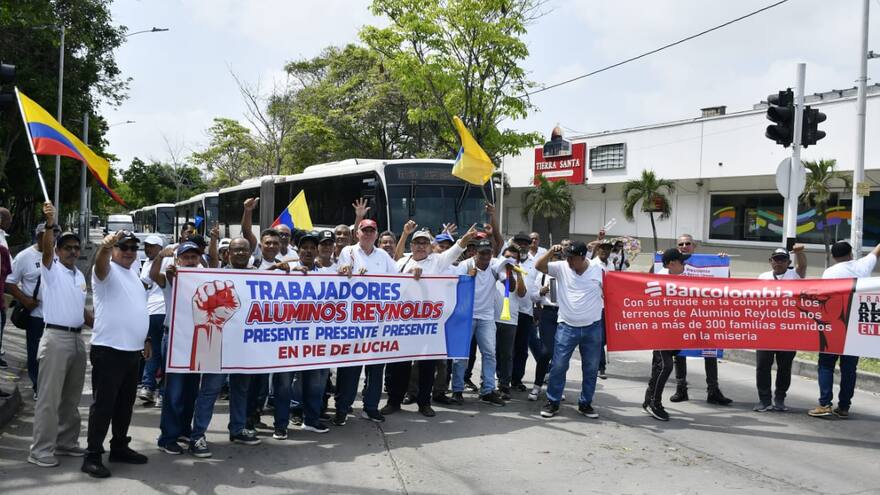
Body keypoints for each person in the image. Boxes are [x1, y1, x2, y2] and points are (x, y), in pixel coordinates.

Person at [382, 223, 477, 417]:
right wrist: (408, 275)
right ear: (412, 245)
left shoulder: (436, 261)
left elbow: (454, 251)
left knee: (427, 365)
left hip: (428, 325)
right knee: (399, 364)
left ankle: (424, 403)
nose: (420, 246)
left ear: (430, 246)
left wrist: (464, 240)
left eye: (425, 243)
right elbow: (391, 281)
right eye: (417, 242)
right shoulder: (402, 262)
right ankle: (394, 401)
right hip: (403, 323)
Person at [83, 229, 151, 478]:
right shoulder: (105, 271)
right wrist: (103, 247)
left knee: (125, 405)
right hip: (109, 350)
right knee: (103, 405)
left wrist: (145, 337)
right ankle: (92, 455)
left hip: (132, 350)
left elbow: (136, 308)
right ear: (113, 250)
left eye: (134, 248)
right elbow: (100, 263)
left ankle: (119, 446)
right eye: (124, 247)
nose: (130, 252)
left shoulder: (132, 272)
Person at [27, 203, 91, 468]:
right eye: (67, 247)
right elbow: (46, 249)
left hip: (77, 339)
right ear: (57, 250)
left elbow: (82, 312)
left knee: (70, 399)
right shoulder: (50, 268)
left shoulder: (78, 276)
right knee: (49, 400)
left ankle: (66, 443)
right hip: (55, 339)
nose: (73, 252)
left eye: (76, 248)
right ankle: (40, 450)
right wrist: (51, 222)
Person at [334, 218, 398, 425]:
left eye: (372, 230)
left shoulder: (384, 256)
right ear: (358, 233)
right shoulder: (349, 251)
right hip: (353, 322)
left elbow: (398, 280)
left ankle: (371, 408)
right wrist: (347, 273)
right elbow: (342, 273)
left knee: (376, 368)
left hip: (378, 321)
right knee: (350, 368)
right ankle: (342, 409)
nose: (369, 233)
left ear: (377, 234)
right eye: (365, 230)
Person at [808, 240, 880, 419]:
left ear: (833, 257)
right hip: (856, 326)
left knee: (826, 365)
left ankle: (825, 404)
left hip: (834, 325)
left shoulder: (830, 272)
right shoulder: (863, 265)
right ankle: (844, 407)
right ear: (851, 254)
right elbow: (876, 251)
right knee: (849, 369)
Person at [537, 241, 604, 419]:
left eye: (572, 258)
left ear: (583, 257)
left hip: (593, 327)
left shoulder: (598, 270)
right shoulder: (560, 267)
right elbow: (539, 266)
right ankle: (553, 401)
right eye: (567, 257)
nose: (568, 262)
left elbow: (611, 293)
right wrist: (551, 250)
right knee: (558, 366)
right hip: (566, 326)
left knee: (590, 368)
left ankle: (585, 403)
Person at [153, 241, 205, 455]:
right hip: (174, 338)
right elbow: (154, 275)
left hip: (198, 338)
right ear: (178, 260)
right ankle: (167, 437)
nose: (191, 261)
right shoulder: (169, 278)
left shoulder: (203, 280)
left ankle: (184, 429)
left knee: (192, 389)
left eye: (194, 257)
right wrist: (160, 259)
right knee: (173, 390)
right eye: (187, 257)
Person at [669, 234, 733, 406]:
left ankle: (713, 390)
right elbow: (654, 277)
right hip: (680, 316)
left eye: (687, 243)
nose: (684, 246)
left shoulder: (707, 263)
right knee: (679, 353)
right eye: (680, 244)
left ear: (694, 245)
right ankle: (681, 389)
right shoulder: (671, 264)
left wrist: (723, 264)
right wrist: (660, 259)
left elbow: (724, 282)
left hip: (705, 316)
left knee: (709, 350)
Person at [451, 239, 507, 406]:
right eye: (482, 253)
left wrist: (509, 273)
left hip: (486, 316)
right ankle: (457, 390)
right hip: (465, 315)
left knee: (489, 353)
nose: (485, 256)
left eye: (488, 253)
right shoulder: (465, 265)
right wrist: (468, 278)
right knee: (461, 355)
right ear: (475, 252)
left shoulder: (495, 265)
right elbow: (455, 287)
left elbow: (509, 286)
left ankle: (488, 390)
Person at [6, 222, 59, 397]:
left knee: (54, 354)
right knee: (36, 353)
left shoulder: (60, 254)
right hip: (36, 315)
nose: (53, 239)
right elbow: (9, 282)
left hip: (57, 316)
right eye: (49, 235)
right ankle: (38, 386)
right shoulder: (24, 257)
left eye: (55, 235)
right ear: (38, 236)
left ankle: (52, 386)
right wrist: (25, 300)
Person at [754, 245, 806, 412]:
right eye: (776, 259)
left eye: (783, 259)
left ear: (788, 262)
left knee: (785, 367)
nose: (779, 262)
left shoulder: (794, 276)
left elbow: (803, 266)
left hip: (788, 331)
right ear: (770, 261)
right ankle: (764, 400)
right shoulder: (762, 277)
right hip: (766, 329)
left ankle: (780, 398)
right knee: (763, 366)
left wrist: (800, 252)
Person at [642, 248, 685, 421]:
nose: (684, 264)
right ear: (671, 264)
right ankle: (654, 402)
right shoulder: (658, 281)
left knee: (658, 367)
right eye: (682, 261)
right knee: (665, 366)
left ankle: (648, 399)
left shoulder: (681, 279)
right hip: (660, 331)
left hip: (675, 331)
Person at [493, 245, 527, 401]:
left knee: (507, 354)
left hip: (510, 319)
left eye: (513, 257)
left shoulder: (519, 272)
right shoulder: (495, 267)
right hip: (491, 317)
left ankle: (504, 386)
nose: (509, 260)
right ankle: (487, 384)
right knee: (491, 353)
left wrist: (518, 273)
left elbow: (521, 293)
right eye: (507, 256)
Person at [509, 233, 541, 392]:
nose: (522, 246)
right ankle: (503, 379)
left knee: (521, 349)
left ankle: (516, 379)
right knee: (505, 348)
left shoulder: (535, 264)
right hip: (506, 311)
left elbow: (536, 289)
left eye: (525, 244)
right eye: (519, 243)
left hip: (526, 312)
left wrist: (537, 309)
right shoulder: (506, 259)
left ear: (529, 246)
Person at [137, 235, 167, 405]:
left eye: (152, 246)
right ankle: (148, 387)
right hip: (151, 312)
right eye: (146, 246)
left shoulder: (168, 260)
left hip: (165, 312)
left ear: (160, 248)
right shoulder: (147, 263)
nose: (148, 249)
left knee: (163, 353)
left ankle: (160, 390)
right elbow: (143, 287)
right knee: (152, 350)